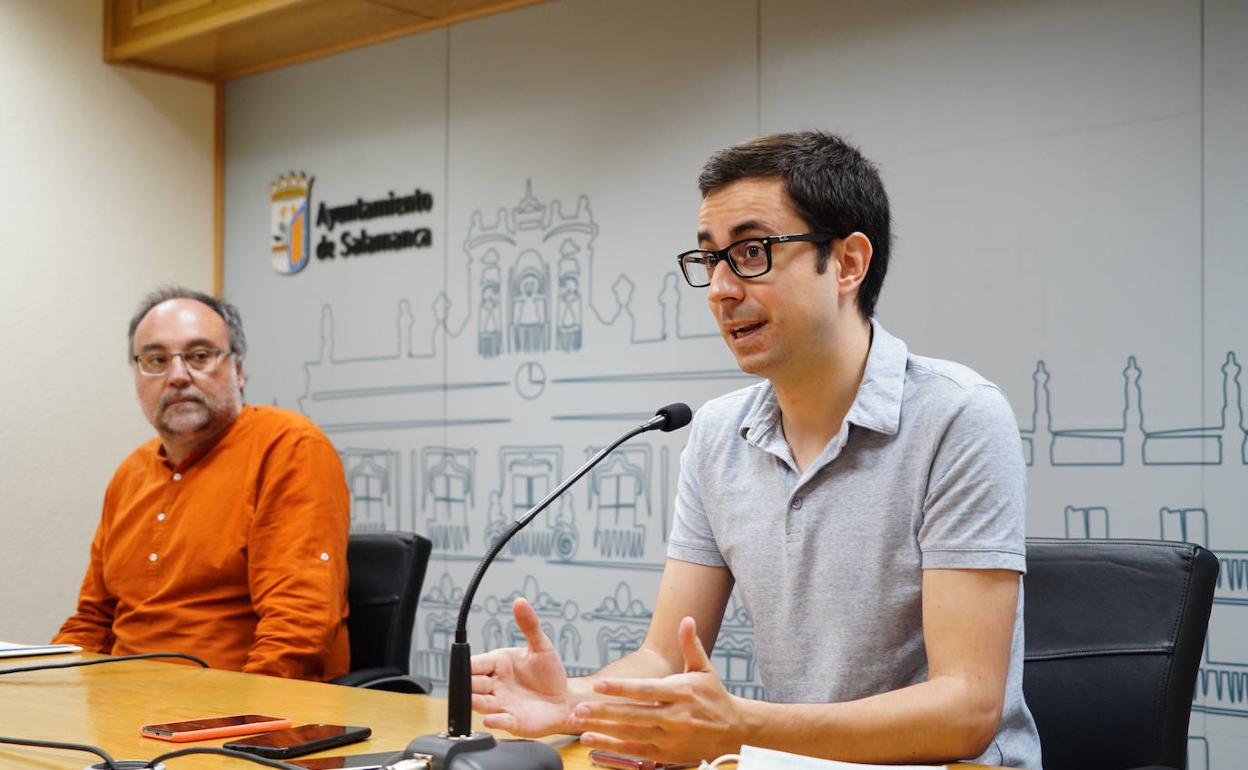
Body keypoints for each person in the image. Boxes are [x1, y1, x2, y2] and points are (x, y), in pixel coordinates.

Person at [469, 132, 1041, 768]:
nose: (720, 287)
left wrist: (737, 728)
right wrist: (575, 699)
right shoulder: (717, 434)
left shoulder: (957, 417)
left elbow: (965, 710)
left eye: (751, 252)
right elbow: (662, 658)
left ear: (848, 263)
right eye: (709, 259)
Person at [54, 286, 351, 681]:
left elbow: (295, 629)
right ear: (137, 377)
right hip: (122, 709)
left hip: (230, 716)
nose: (177, 376)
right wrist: (44, 687)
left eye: (199, 356)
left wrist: (239, 728)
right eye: (156, 360)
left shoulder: (288, 446)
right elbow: (92, 620)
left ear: (238, 370)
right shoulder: (130, 473)